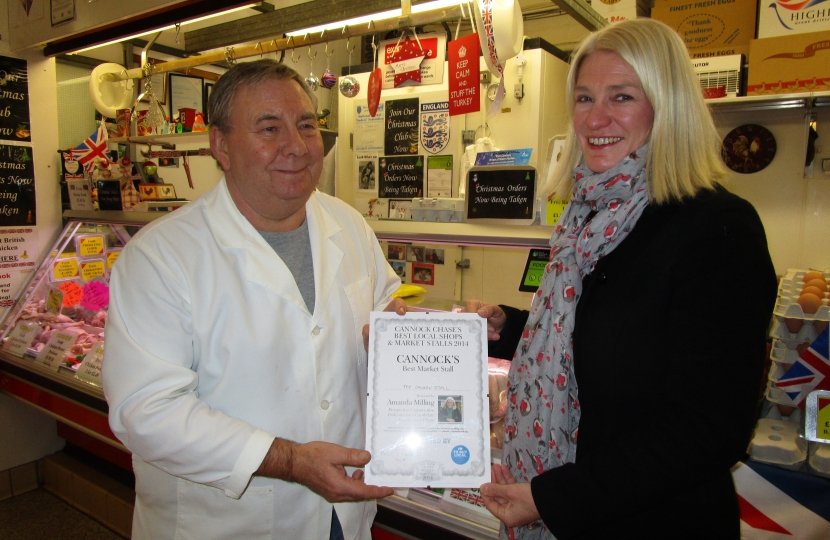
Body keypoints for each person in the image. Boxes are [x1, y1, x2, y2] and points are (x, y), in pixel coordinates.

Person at [469, 19, 777, 539]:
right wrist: (515, 324)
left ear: (667, 105)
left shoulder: (718, 228)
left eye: (622, 96)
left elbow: (708, 430)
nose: (596, 118)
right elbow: (606, 333)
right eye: (584, 98)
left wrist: (551, 497)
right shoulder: (586, 215)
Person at [102, 60, 405, 540]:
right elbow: (147, 411)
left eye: (307, 125)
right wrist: (289, 459)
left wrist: (416, 333)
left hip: (341, 517)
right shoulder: (161, 257)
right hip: (227, 523)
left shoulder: (348, 225)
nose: (297, 146)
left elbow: (385, 303)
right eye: (270, 128)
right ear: (220, 145)